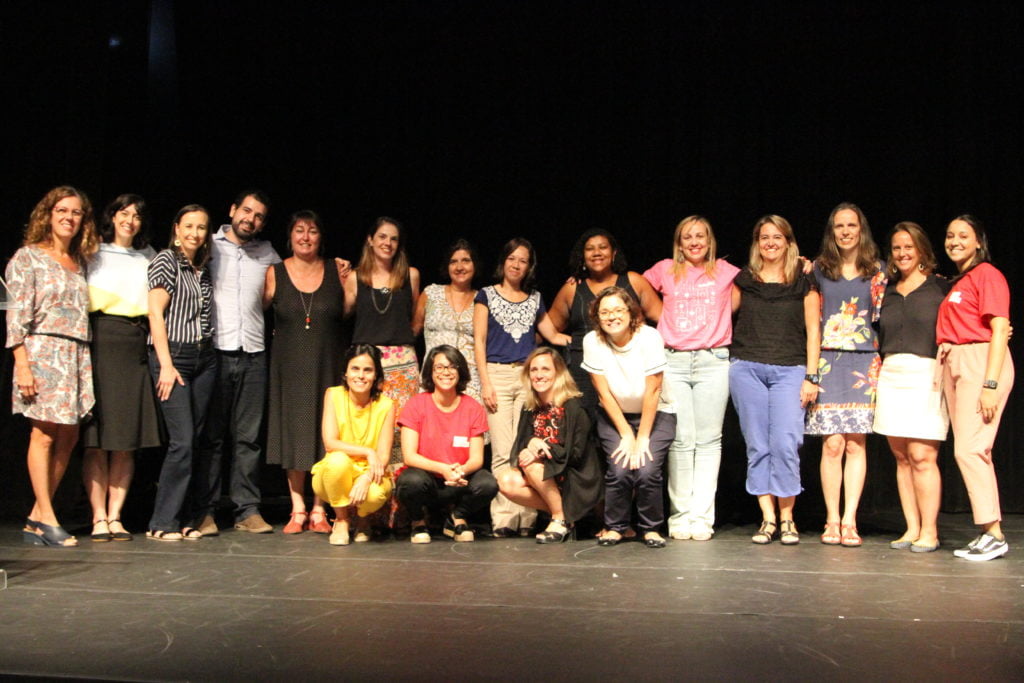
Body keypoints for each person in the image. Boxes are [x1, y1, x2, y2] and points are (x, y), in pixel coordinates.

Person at [7, 186, 99, 547]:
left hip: (76, 353)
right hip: (41, 350)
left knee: (70, 434)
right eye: (62, 210)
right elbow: (14, 315)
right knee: (43, 433)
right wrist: (22, 365)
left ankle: (35, 517)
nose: (68, 217)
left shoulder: (81, 262)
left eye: (76, 212)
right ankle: (47, 516)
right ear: (48, 214)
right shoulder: (27, 258)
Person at [642, 216, 739, 542]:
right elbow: (635, 288)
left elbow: (763, 280)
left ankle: (701, 518)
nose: (695, 242)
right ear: (679, 243)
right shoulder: (665, 269)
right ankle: (681, 516)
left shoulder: (726, 272)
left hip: (714, 360)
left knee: (709, 441)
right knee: (681, 441)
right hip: (674, 361)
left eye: (701, 236)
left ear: (710, 241)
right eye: (688, 237)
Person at [729, 215, 820, 546]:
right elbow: (721, 314)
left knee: (785, 442)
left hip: (791, 369)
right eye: (764, 237)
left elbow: (814, 331)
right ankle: (767, 519)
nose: (770, 243)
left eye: (777, 237)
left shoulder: (803, 280)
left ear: (788, 242)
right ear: (757, 243)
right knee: (758, 444)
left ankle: (787, 519)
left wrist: (811, 376)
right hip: (747, 367)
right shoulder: (745, 279)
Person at [194, 190, 280, 535]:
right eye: (246, 211)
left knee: (248, 439)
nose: (251, 219)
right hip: (215, 351)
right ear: (232, 210)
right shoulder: (209, 246)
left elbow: (286, 283)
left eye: (258, 215)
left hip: (254, 354)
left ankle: (247, 510)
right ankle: (205, 511)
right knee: (211, 438)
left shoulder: (267, 252)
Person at [474, 237, 571, 536]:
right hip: (498, 375)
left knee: (525, 448)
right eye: (512, 258)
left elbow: (553, 336)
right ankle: (504, 520)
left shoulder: (534, 299)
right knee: (503, 450)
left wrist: (588, 339)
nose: (517, 264)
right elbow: (478, 341)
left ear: (529, 266)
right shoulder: (486, 296)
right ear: (503, 261)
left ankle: (526, 520)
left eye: (523, 260)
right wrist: (486, 383)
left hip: (527, 378)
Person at [81, 194, 162, 542]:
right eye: (123, 213)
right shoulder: (92, 252)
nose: (129, 220)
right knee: (97, 440)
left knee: (125, 441)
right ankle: (98, 516)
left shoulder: (150, 257)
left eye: (136, 216)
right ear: (111, 217)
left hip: (134, 345)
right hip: (100, 340)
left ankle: (116, 516)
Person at [805, 203, 886, 547]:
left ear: (861, 228)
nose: (846, 231)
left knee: (856, 443)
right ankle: (832, 519)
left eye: (851, 225)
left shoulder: (879, 270)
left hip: (864, 360)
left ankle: (851, 520)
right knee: (833, 443)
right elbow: (811, 325)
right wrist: (810, 372)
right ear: (832, 230)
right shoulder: (819, 270)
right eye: (839, 226)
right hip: (828, 362)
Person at [265, 210, 349, 534]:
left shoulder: (337, 271)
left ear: (320, 237)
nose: (305, 237)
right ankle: (297, 508)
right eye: (299, 230)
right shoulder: (274, 272)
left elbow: (350, 309)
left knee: (325, 434)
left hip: (328, 362)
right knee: (293, 433)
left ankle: (319, 509)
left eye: (312, 231)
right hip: (289, 365)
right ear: (290, 236)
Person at [937, 215, 1013, 561]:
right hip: (957, 362)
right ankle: (988, 532)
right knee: (971, 449)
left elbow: (999, 329)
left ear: (979, 241)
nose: (954, 241)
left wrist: (990, 384)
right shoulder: (960, 281)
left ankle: (993, 534)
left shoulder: (988, 275)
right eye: (950, 235)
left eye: (963, 235)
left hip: (980, 363)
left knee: (970, 450)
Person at [873, 222, 949, 553]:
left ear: (921, 250)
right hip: (891, 372)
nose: (902, 253)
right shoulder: (886, 290)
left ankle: (929, 531)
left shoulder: (940, 288)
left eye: (909, 247)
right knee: (902, 456)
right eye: (897, 248)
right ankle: (911, 527)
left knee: (922, 455)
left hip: (926, 373)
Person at [582, 286, 676, 548]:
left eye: (617, 310)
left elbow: (654, 390)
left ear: (630, 312)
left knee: (646, 469)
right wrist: (626, 433)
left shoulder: (649, 337)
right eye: (604, 312)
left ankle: (651, 528)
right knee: (620, 468)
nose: (611, 317)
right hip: (615, 415)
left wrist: (642, 437)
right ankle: (616, 526)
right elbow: (603, 394)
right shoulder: (592, 341)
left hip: (657, 413)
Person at [146, 204, 217, 541]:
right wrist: (166, 365)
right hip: (173, 355)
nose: (195, 233)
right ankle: (162, 522)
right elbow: (155, 314)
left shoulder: (202, 266)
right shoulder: (166, 261)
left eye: (201, 227)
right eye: (189, 226)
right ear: (176, 228)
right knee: (182, 442)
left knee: (198, 440)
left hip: (205, 358)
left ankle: (188, 518)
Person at [344, 217, 421, 531]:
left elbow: (415, 320)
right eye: (382, 237)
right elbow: (345, 313)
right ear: (370, 240)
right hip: (368, 363)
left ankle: (403, 514)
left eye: (393, 239)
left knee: (403, 439)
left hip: (403, 362)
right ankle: (368, 514)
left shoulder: (410, 275)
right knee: (371, 436)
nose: (387, 243)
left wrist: (401, 349)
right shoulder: (354, 277)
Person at [548, 229, 661, 416]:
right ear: (583, 256)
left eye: (603, 247)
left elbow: (663, 319)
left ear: (614, 253)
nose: (597, 253)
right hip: (584, 370)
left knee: (626, 424)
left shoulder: (634, 281)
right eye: (590, 249)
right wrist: (567, 341)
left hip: (630, 367)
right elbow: (549, 326)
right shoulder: (572, 288)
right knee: (585, 426)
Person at [499, 347, 603, 543]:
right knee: (507, 480)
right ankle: (567, 515)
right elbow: (521, 445)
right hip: (549, 478)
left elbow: (576, 454)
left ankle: (560, 519)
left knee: (532, 466)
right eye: (534, 370)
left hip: (575, 476)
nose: (539, 375)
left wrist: (541, 448)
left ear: (558, 373)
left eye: (545, 369)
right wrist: (531, 442)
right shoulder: (531, 407)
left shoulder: (573, 406)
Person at [396, 345, 496, 543]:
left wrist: (460, 471)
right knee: (410, 482)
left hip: (459, 480)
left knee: (487, 484)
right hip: (427, 481)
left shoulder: (473, 408)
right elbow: (409, 455)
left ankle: (457, 517)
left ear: (460, 371)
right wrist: (443, 469)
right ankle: (418, 522)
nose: (446, 373)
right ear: (430, 373)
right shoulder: (416, 404)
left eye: (452, 367)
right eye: (439, 367)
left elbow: (477, 458)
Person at [311, 344, 395, 546]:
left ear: (376, 375)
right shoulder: (333, 394)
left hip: (369, 471)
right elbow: (330, 443)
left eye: (368, 370)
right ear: (346, 373)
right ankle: (341, 519)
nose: (361, 375)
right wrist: (367, 452)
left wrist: (366, 477)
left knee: (374, 495)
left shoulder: (386, 405)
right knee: (337, 461)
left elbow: (383, 456)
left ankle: (363, 520)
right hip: (334, 474)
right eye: (355, 369)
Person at [412, 239, 482, 402]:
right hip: (434, 378)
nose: (459, 267)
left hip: (470, 382)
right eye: (453, 262)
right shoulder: (431, 293)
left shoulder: (483, 299)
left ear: (475, 265)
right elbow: (413, 331)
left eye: (466, 261)